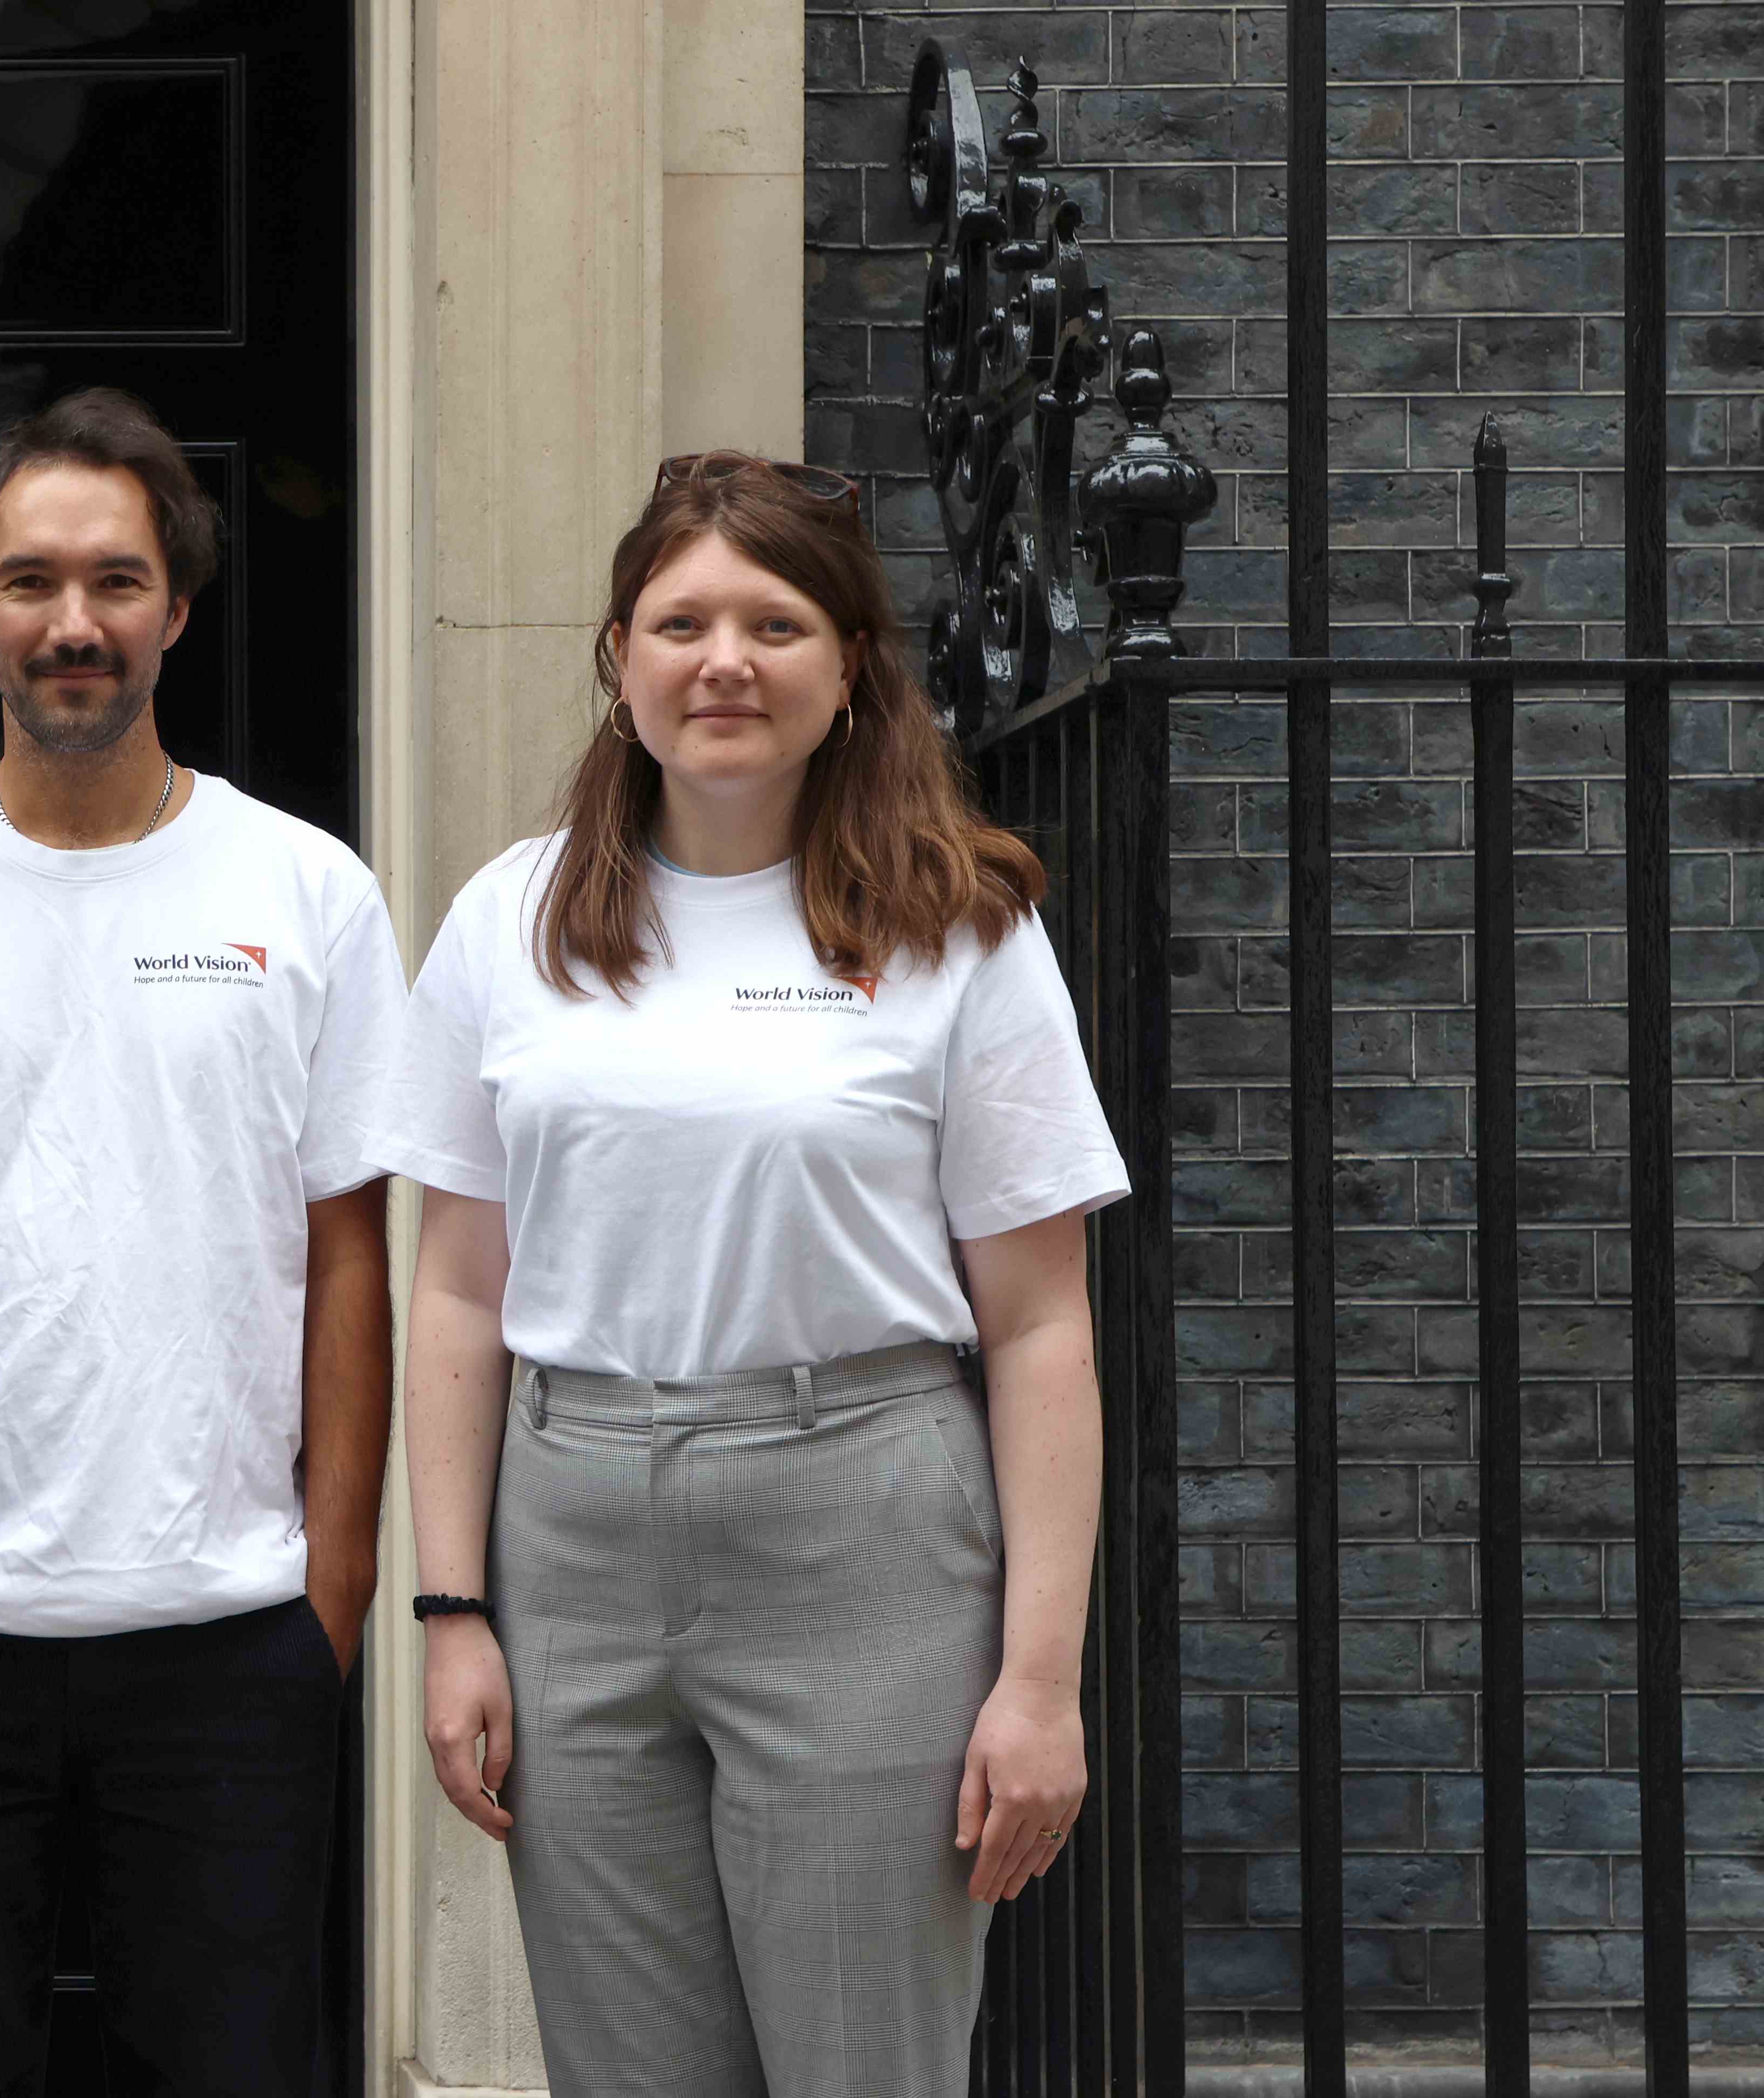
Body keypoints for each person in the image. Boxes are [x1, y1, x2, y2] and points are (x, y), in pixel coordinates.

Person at [384, 453, 1125, 2095]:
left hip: (860, 1526)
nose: (724, 662)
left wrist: (1040, 1683)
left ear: (850, 666)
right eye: (682, 624)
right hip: (571, 1533)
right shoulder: (511, 920)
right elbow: (456, 1293)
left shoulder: (959, 930)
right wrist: (452, 1613)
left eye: (775, 625)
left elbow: (1039, 1325)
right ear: (620, 659)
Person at [0, 386, 407, 2094]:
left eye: (117, 581)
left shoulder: (310, 895)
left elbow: (352, 1255)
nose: (75, 623)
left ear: (177, 608)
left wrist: (332, 1596)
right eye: (32, 581)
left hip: (227, 1637)